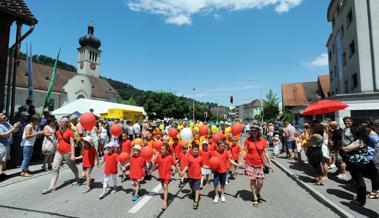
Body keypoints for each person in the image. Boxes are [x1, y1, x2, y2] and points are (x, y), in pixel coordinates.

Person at [341, 124, 379, 206]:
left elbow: (346, 149)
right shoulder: (367, 139)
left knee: (360, 181)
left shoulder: (358, 141)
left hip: (357, 163)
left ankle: (360, 200)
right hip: (366, 161)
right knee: (370, 177)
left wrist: (343, 147)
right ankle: (369, 194)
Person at [42, 118, 79, 194]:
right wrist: (56, 149)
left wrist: (73, 154)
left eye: (62, 122)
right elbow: (58, 141)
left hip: (68, 152)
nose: (60, 123)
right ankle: (52, 186)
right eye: (60, 122)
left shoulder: (70, 132)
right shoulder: (58, 132)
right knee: (55, 168)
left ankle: (77, 177)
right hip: (59, 152)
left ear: (66, 123)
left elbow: (72, 143)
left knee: (72, 166)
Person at [243, 125, 273, 207]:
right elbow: (244, 151)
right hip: (250, 163)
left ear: (258, 131)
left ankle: (257, 192)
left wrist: (270, 163)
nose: (254, 132)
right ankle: (255, 197)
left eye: (255, 130)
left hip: (260, 163)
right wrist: (241, 161)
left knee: (260, 181)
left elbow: (266, 152)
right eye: (252, 131)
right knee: (253, 180)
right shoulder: (248, 140)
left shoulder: (263, 140)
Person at [150, 143, 180, 210]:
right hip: (161, 174)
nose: (161, 150)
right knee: (164, 187)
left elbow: (176, 164)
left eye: (163, 149)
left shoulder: (170, 157)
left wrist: (180, 172)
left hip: (167, 174)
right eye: (161, 149)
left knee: (165, 186)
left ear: (167, 150)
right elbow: (154, 164)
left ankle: (165, 202)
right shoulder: (159, 156)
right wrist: (151, 170)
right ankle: (166, 194)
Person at [181, 144, 204, 209]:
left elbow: (202, 166)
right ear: (192, 150)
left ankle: (196, 201)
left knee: (197, 188)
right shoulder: (189, 157)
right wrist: (182, 172)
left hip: (198, 176)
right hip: (190, 175)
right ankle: (193, 192)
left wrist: (204, 173)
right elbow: (187, 166)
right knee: (191, 186)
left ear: (198, 151)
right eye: (194, 150)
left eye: (196, 150)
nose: (195, 151)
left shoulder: (200, 158)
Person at [0, 113, 20, 179]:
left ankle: (1, 173)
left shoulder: (7, 123)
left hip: (7, 145)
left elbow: (14, 131)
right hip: (1, 146)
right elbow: (3, 135)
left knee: (4, 161)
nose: (6, 119)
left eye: (6, 117)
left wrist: (17, 127)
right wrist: (13, 128)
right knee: (1, 161)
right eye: (4, 118)